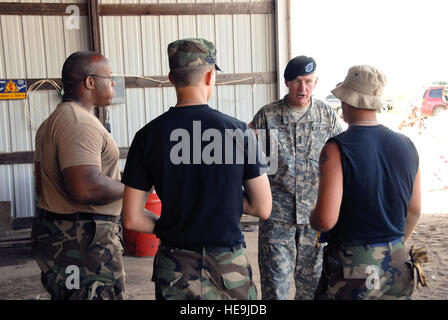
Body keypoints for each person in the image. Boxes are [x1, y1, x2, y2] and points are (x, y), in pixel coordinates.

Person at [121, 38, 272, 300]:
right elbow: (263, 208)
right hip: (228, 267)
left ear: (171, 78)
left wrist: (169, 226)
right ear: (210, 75)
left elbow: (132, 218)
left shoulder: (148, 136)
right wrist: (226, 198)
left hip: (175, 266)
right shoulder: (240, 133)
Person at [309, 65, 421, 300]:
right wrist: (393, 244)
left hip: (356, 265)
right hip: (400, 261)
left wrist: (313, 216)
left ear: (346, 101)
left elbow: (326, 220)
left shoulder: (337, 148)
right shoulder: (407, 145)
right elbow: (414, 209)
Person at [32, 51, 125, 300]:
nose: (114, 82)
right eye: (110, 76)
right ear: (90, 82)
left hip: (68, 234)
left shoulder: (61, 119)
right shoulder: (78, 122)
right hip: (82, 239)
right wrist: (136, 187)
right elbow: (86, 188)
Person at [250, 56, 344, 300]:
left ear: (316, 82)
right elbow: (250, 164)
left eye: (309, 82)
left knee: (313, 289)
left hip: (315, 219)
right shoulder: (267, 117)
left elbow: (343, 162)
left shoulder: (327, 116)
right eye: (297, 82)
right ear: (286, 83)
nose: (303, 88)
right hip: (276, 219)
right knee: (274, 287)